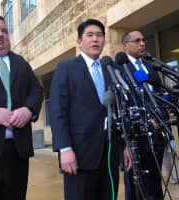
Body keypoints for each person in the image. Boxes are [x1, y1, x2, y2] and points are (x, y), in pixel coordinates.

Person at [49, 19, 131, 200]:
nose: (95, 39)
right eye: (90, 35)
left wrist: (124, 145)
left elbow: (118, 110)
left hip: (109, 155)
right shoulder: (66, 68)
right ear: (79, 41)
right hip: (78, 156)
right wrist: (64, 148)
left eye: (100, 35)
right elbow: (57, 112)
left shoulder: (109, 68)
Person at [0, 14, 43, 200]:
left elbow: (36, 91)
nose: (0, 34)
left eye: (5, 31)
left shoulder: (19, 62)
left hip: (17, 152)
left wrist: (28, 110)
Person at [120, 30, 165, 200]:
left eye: (144, 40)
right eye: (137, 40)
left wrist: (160, 118)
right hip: (136, 140)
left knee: (155, 183)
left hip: (156, 137)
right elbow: (123, 105)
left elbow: (159, 96)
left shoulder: (149, 68)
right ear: (125, 45)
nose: (142, 43)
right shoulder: (119, 69)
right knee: (136, 188)